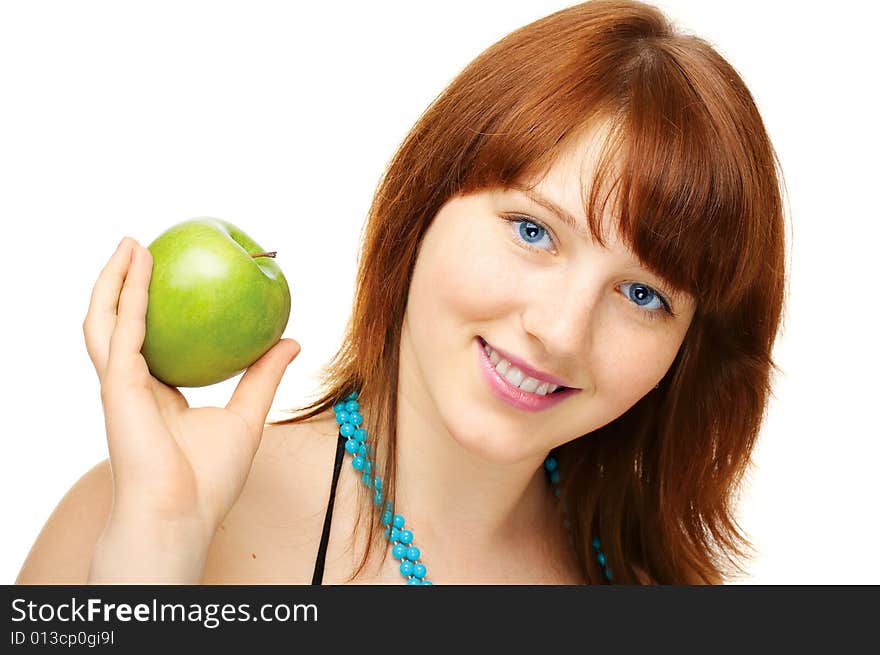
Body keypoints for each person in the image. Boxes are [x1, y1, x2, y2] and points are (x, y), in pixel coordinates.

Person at [16, 0, 786, 585]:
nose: (559, 329)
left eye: (644, 294)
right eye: (532, 231)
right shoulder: (133, 515)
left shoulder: (649, 578)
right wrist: (157, 548)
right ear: (424, 205)